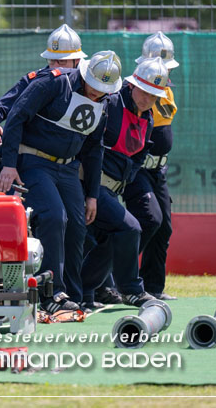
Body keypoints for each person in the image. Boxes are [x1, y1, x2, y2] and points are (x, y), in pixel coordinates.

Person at [0, 51, 121, 313]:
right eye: (94, 87)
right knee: (54, 216)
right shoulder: (52, 83)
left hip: (68, 169)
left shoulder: (104, 101)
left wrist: (93, 195)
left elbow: (94, 148)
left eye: (103, 90)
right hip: (33, 162)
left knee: (77, 225)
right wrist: (8, 164)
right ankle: (50, 295)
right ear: (84, 74)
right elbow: (16, 116)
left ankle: (74, 297)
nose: (98, 94)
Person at [79, 57, 167, 312]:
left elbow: (138, 155)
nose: (149, 99)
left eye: (154, 95)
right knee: (130, 229)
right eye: (146, 92)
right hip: (90, 187)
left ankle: (85, 291)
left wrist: (126, 179)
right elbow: (90, 146)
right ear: (132, 85)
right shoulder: (111, 104)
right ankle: (132, 290)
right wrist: (91, 193)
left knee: (111, 239)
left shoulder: (148, 118)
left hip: (111, 189)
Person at [0, 24, 87, 189]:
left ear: (77, 61)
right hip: (30, 167)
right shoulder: (36, 81)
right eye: (52, 60)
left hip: (69, 171)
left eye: (62, 61)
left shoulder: (90, 89)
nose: (55, 66)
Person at [119, 31, 180, 301]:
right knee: (149, 220)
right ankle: (118, 278)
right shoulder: (130, 90)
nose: (163, 72)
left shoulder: (167, 89)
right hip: (138, 167)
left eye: (167, 67)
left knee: (163, 226)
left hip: (159, 169)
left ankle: (153, 287)